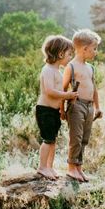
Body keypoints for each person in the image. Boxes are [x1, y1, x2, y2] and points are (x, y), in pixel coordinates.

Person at [62, 29, 102, 182]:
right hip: (76, 106)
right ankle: (71, 168)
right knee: (76, 137)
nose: (96, 52)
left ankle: (79, 167)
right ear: (84, 49)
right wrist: (62, 110)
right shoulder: (71, 67)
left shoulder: (90, 68)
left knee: (84, 137)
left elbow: (94, 88)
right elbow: (64, 89)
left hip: (89, 106)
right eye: (94, 48)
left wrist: (98, 107)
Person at [36, 35, 78, 180]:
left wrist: (61, 109)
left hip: (53, 111)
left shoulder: (58, 72)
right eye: (69, 54)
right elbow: (49, 91)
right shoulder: (47, 70)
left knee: (52, 140)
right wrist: (68, 95)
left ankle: (49, 167)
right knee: (47, 140)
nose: (70, 57)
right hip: (45, 111)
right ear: (60, 54)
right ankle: (42, 167)